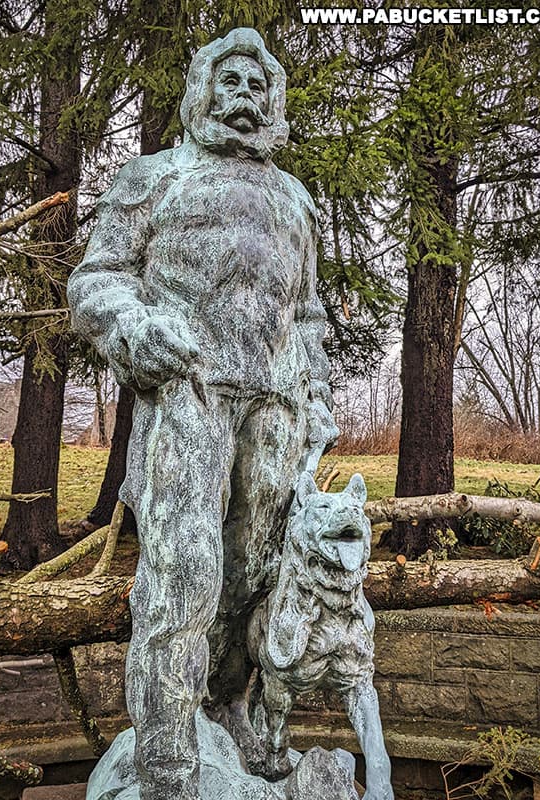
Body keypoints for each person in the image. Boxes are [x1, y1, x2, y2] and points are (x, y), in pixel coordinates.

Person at [67, 28, 337, 800]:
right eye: (230, 80)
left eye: (260, 83)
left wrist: (316, 393)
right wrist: (129, 326)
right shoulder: (152, 178)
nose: (246, 94)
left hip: (276, 404)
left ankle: (228, 708)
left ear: (276, 101)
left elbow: (310, 313)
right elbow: (96, 279)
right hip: (188, 391)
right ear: (199, 92)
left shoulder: (296, 199)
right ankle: (166, 756)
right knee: (184, 572)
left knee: (253, 574)